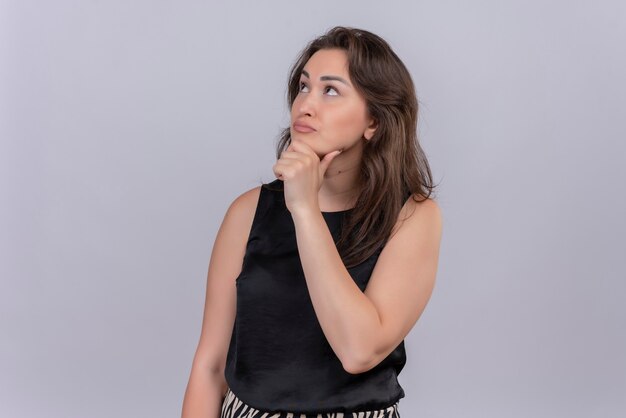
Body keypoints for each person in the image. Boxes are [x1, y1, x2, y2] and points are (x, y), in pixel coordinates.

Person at [181, 26, 443, 418]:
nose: (305, 105)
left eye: (331, 90)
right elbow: (210, 367)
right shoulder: (246, 213)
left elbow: (359, 351)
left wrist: (305, 210)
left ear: (374, 120)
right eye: (303, 87)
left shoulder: (412, 217)